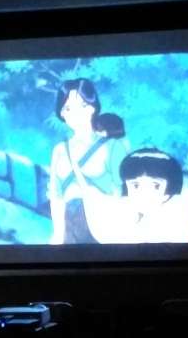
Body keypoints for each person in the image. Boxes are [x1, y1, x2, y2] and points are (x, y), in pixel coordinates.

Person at [48, 78, 128, 244]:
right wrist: (57, 236)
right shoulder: (59, 150)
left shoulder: (113, 147)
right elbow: (57, 198)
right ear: (62, 114)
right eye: (67, 108)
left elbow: (124, 194)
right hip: (69, 235)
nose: (75, 114)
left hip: (105, 232)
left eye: (82, 106)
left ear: (92, 107)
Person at [80, 147, 188, 244]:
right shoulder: (119, 218)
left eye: (156, 185)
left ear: (169, 190)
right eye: (135, 185)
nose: (143, 193)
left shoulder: (178, 220)